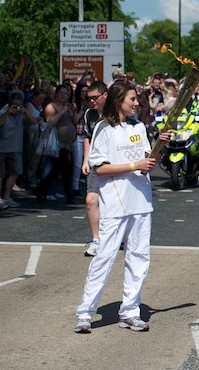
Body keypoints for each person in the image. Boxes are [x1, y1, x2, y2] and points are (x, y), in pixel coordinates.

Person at [74, 81, 171, 334]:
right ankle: (85, 313)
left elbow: (148, 161)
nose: (136, 103)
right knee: (104, 258)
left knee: (138, 258)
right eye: (132, 99)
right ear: (119, 101)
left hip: (141, 202)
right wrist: (132, 165)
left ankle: (130, 311)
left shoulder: (139, 126)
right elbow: (100, 168)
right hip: (115, 204)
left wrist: (159, 145)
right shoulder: (104, 129)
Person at [0, 91, 37, 209]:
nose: (17, 108)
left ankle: (7, 197)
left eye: (19, 105)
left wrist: (25, 112)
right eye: (15, 105)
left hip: (14, 146)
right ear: (9, 104)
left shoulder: (22, 112)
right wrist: (7, 113)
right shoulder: (3, 111)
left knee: (14, 172)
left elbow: (33, 122)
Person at [35, 84, 78, 205]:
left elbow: (74, 121)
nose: (64, 95)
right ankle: (69, 196)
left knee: (59, 170)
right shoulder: (51, 106)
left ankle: (41, 189)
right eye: (61, 93)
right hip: (56, 143)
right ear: (56, 94)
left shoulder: (67, 106)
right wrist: (63, 111)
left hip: (66, 143)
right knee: (64, 169)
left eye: (66, 93)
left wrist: (73, 111)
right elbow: (50, 121)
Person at [81, 81, 107, 257]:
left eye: (94, 97)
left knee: (113, 202)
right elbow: (87, 138)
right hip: (97, 164)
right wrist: (85, 160)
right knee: (91, 200)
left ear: (105, 95)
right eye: (88, 98)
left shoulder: (117, 112)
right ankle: (96, 239)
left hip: (116, 163)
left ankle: (117, 237)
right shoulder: (89, 114)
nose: (91, 101)